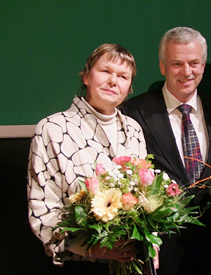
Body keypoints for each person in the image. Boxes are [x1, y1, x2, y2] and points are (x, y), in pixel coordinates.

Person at [27, 44, 149, 273]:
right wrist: (92, 249)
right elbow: (42, 209)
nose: (113, 81)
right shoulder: (52, 129)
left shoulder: (134, 130)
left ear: (129, 88)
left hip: (131, 261)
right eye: (105, 71)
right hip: (79, 265)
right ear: (86, 77)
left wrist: (150, 244)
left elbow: (144, 197)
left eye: (123, 76)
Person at [121, 27, 211, 275]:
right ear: (162, 67)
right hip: (162, 252)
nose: (186, 72)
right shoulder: (133, 113)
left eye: (194, 63)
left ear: (203, 66)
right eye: (177, 63)